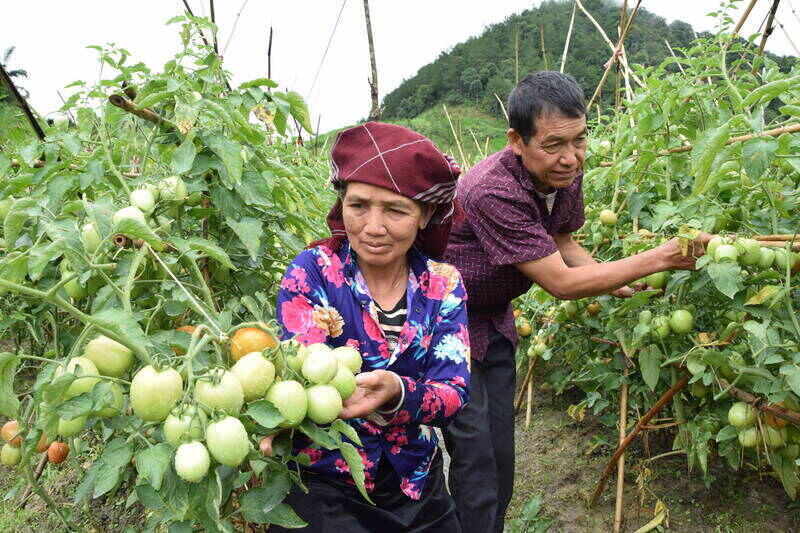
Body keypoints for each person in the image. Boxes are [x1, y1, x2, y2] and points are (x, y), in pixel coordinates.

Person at [442, 71, 710, 533]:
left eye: (580, 140)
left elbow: (562, 239)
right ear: (516, 141)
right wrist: (658, 257)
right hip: (447, 329)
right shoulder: (490, 188)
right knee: (474, 456)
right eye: (554, 145)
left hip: (496, 323)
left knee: (499, 452)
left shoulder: (562, 172)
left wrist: (615, 280)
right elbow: (561, 284)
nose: (570, 158)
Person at [272, 122, 470, 532]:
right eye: (359, 205)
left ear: (425, 214)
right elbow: (301, 374)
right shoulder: (312, 273)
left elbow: (453, 390)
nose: (373, 226)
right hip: (323, 485)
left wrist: (398, 393)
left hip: (414, 481)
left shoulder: (443, 284)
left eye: (395, 210)